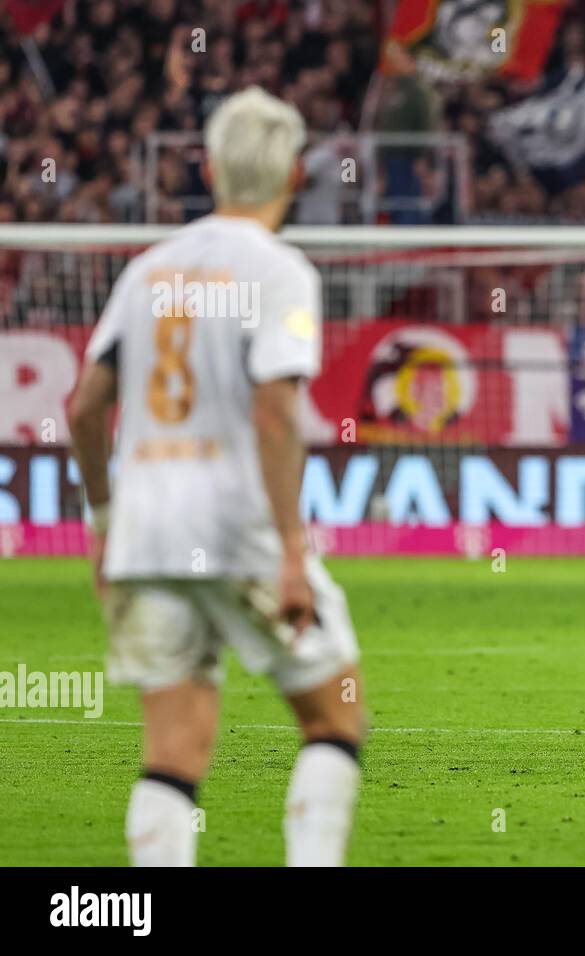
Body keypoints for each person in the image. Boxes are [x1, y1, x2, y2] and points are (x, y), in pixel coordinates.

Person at [68, 87, 365, 867]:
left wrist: (104, 527)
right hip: (235, 528)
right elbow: (274, 413)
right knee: (336, 718)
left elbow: (82, 409)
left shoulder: (148, 270)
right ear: (296, 174)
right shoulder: (280, 271)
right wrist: (293, 552)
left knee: (173, 752)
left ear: (207, 165)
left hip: (146, 532)